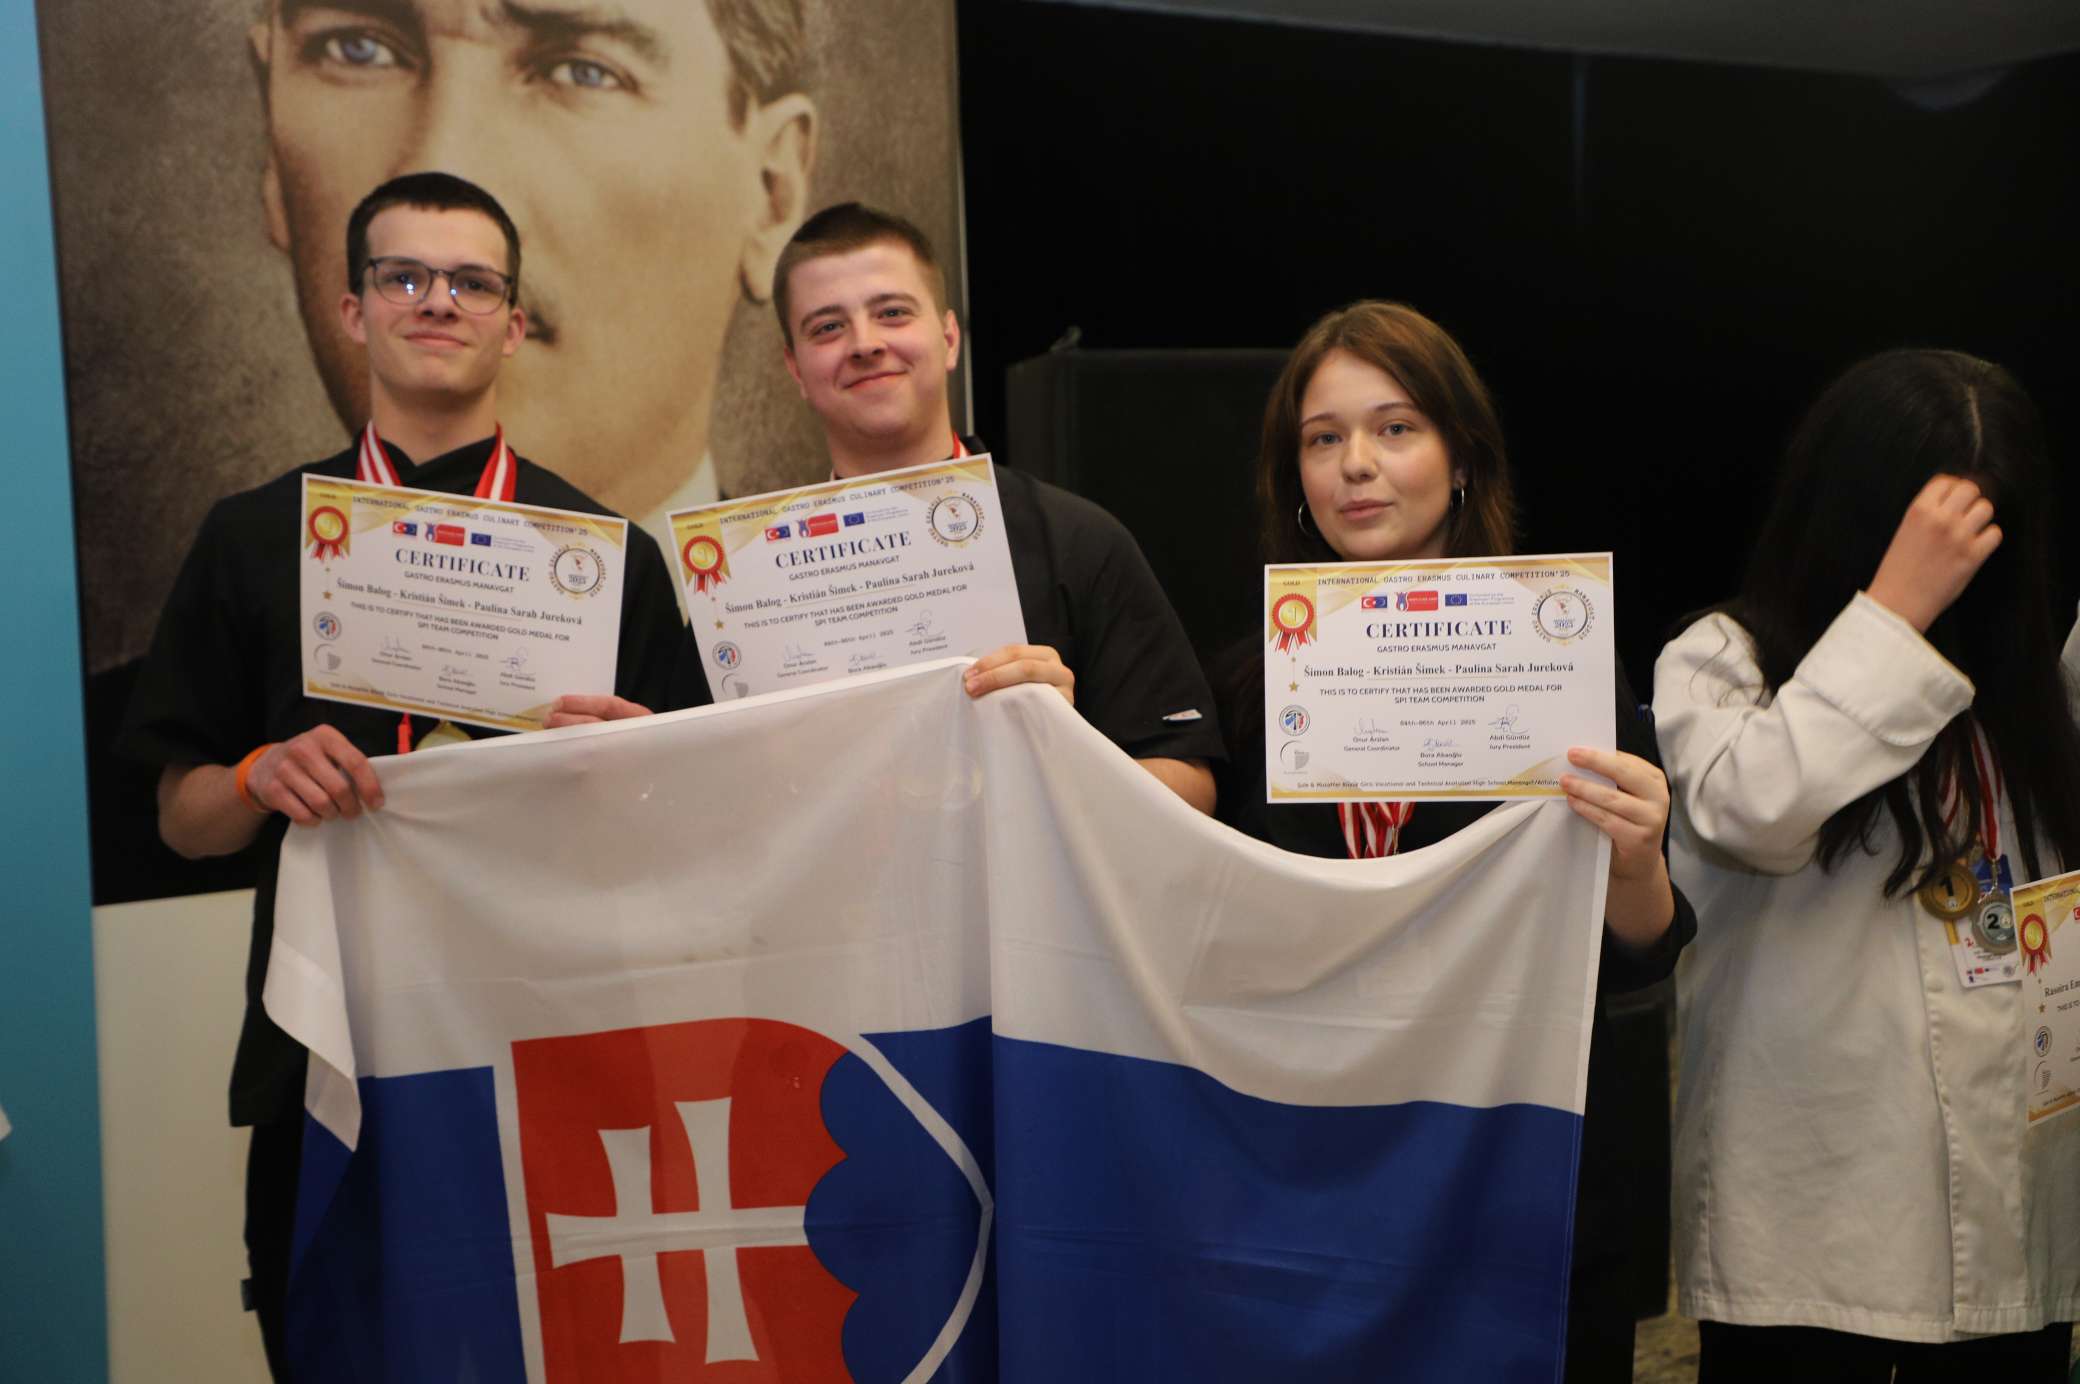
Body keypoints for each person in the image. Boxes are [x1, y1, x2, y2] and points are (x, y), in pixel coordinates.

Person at [118, 172, 687, 1379]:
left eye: (472, 282)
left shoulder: (602, 560)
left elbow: (686, 832)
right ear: (352, 307)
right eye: (405, 276)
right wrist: (257, 772)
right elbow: (182, 823)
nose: (438, 301)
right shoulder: (254, 536)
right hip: (326, 1049)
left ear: (512, 323)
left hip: (551, 1044)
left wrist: (629, 768)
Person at [1211, 300, 1694, 1381]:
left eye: (1396, 428)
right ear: (1293, 475)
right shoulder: (1248, 685)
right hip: (1316, 1175)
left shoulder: (1556, 661)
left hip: (1523, 1177)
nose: (1356, 465)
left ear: (1462, 458)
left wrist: (1635, 858)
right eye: (1322, 438)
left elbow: (1643, 951)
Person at [1653, 350, 2080, 1380]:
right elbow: (1755, 810)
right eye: (1935, 537)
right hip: (1813, 1230)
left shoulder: (2029, 692)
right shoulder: (1724, 661)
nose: (1966, 570)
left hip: (2015, 1213)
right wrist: (1895, 610)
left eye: (1989, 535)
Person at [554, 202, 1225, 813]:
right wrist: (647, 763)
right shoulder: (737, 583)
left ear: (950, 339)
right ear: (795, 369)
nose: (865, 342)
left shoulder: (1078, 541)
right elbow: (704, 805)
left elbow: (1195, 791)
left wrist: (1064, 746)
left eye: (894, 313)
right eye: (828, 327)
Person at [246, 0, 818, 539]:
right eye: (359, 50)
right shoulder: (227, 574)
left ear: (770, 192)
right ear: (270, 142)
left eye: (583, 73)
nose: (439, 186)